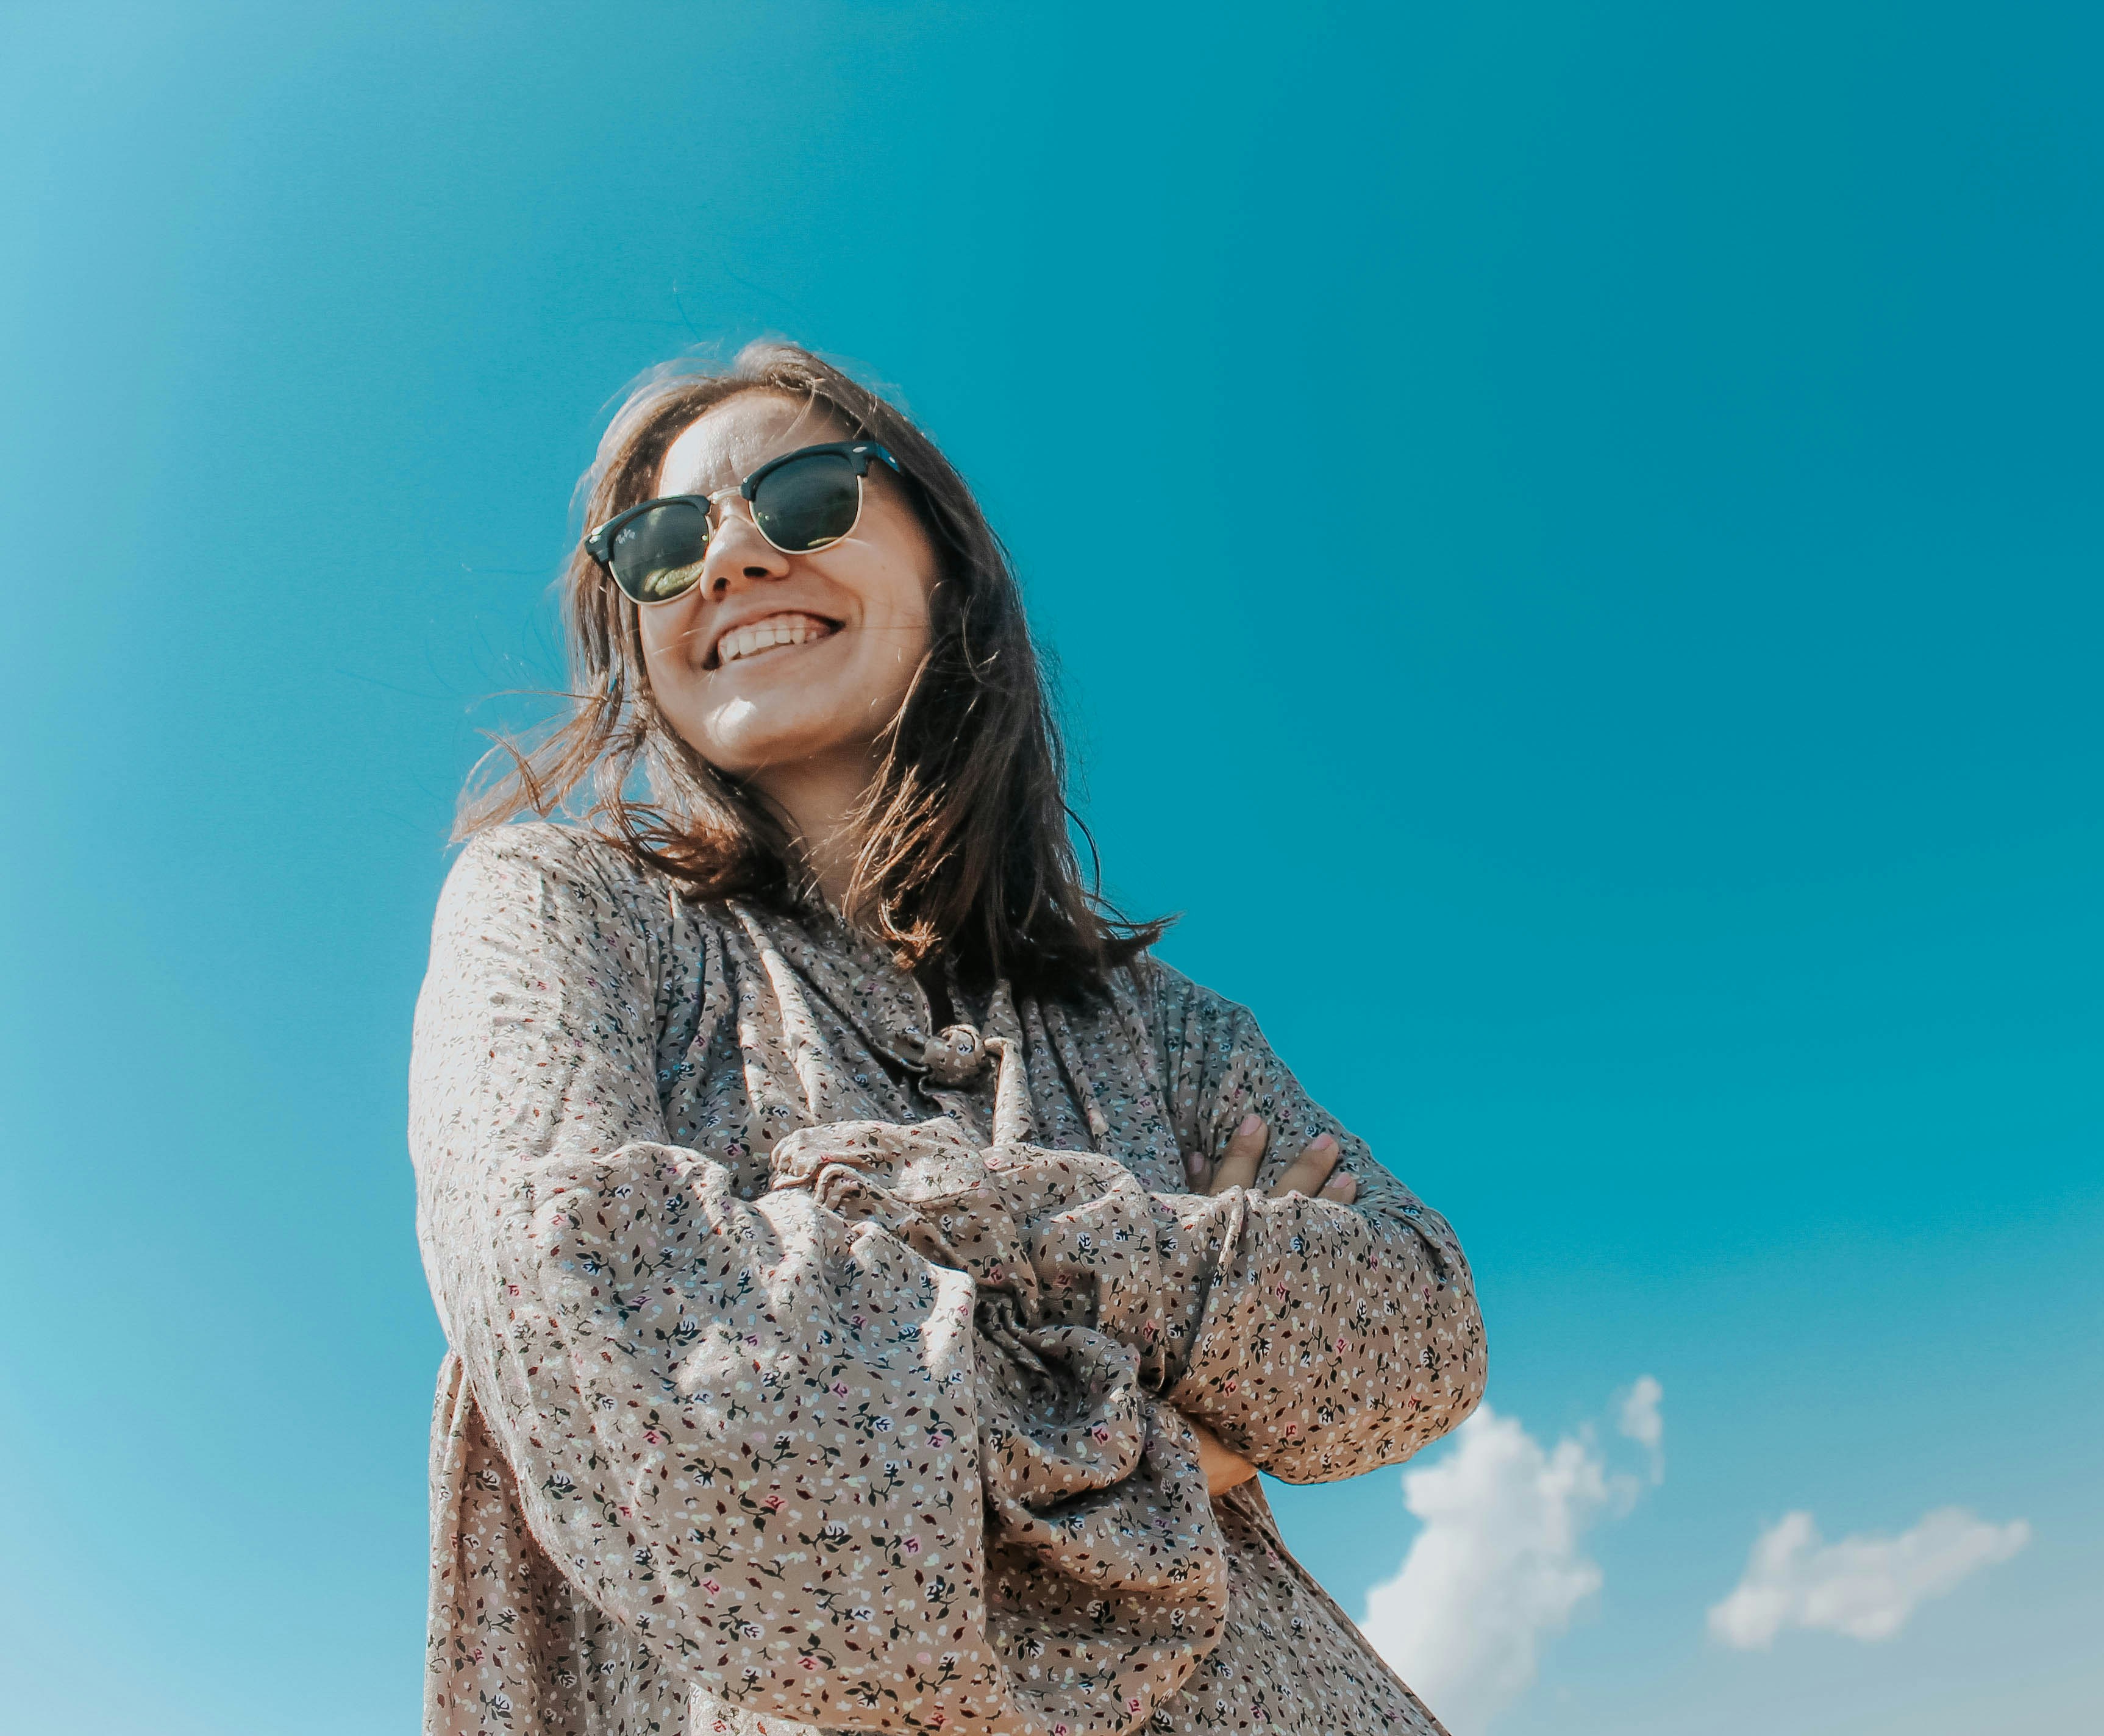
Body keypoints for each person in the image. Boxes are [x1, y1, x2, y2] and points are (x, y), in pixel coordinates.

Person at [408, 341, 1489, 1736]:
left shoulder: (1159, 1027)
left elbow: (1417, 1329)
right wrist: (1192, 1408)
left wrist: (918, 1229)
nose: (729, 559)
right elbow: (614, 1333)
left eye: (802, 496)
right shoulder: (562, 910)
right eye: (665, 544)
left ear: (948, 565)